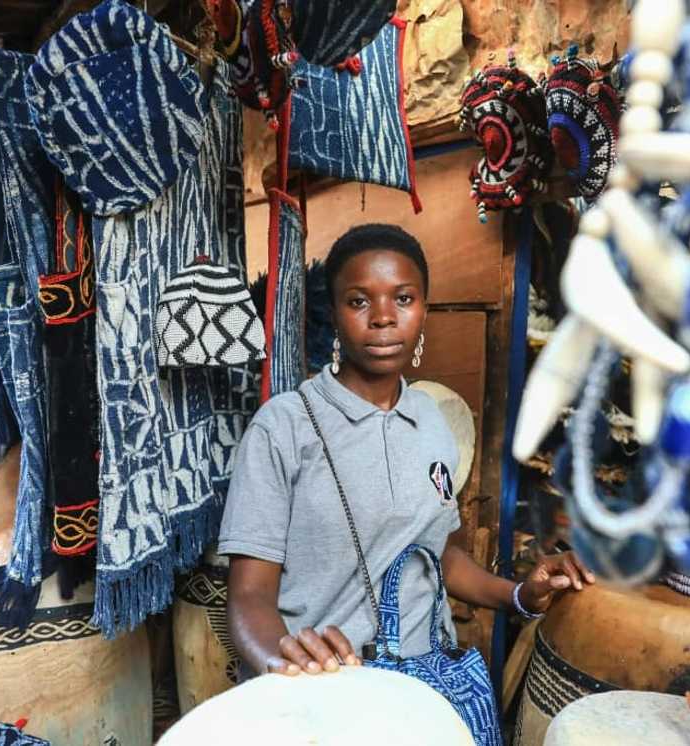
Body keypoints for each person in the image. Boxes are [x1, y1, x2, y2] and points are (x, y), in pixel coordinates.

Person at [219, 223, 594, 677]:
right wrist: (285, 666)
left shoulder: (431, 418)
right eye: (359, 301)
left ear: (423, 309)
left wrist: (520, 595)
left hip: (422, 683)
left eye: (403, 298)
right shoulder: (285, 427)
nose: (383, 317)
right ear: (335, 314)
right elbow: (248, 596)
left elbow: (440, 556)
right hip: (324, 687)